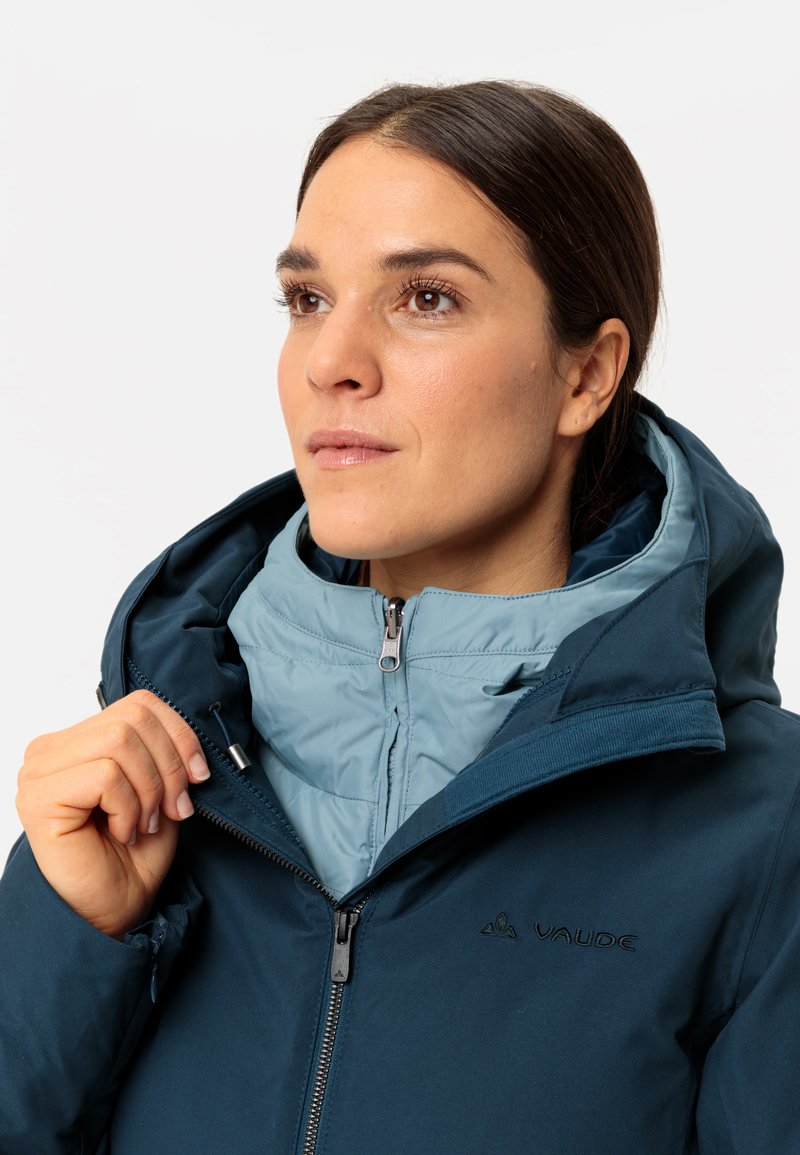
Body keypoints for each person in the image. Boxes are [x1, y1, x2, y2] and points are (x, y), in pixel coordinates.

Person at [1, 80, 798, 1154]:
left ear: (587, 374)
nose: (330, 361)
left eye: (425, 298)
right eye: (307, 299)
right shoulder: (156, 770)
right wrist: (74, 929)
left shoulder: (763, 828)